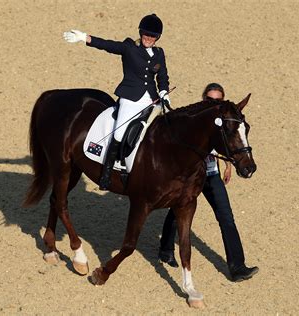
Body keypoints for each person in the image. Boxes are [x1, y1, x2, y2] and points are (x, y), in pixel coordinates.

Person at [158, 83, 259, 282]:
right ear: (203, 99)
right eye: (210, 100)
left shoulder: (222, 123)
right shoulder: (196, 120)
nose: (214, 103)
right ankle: (166, 249)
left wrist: (228, 165)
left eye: (218, 100)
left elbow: (227, 143)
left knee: (226, 217)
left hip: (211, 174)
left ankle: (237, 266)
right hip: (192, 176)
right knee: (176, 212)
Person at [63, 13, 171, 190]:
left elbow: (163, 75)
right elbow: (108, 45)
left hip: (151, 99)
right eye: (145, 34)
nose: (148, 38)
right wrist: (84, 37)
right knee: (120, 134)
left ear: (157, 37)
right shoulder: (129, 47)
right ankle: (107, 173)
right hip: (130, 99)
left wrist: (165, 91)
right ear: (140, 33)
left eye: (152, 36)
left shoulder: (159, 53)